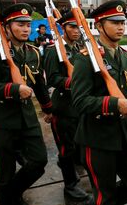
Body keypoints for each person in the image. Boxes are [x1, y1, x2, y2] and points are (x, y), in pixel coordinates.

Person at [71, 0, 127, 205]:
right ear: (98, 25)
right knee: (104, 193)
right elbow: (80, 101)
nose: (121, 27)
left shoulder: (125, 56)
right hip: (98, 138)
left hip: (125, 135)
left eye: (122, 22)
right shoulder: (85, 58)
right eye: (114, 22)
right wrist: (113, 104)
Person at [0, 3, 53, 205]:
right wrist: (14, 89)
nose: (26, 29)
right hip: (1, 120)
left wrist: (48, 109)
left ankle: (12, 193)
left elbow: (39, 83)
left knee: (39, 161)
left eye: (27, 25)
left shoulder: (33, 52)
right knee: (5, 170)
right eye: (20, 25)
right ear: (6, 27)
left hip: (27, 118)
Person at [43, 12, 91, 202]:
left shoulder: (82, 48)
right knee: (66, 148)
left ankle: (71, 166)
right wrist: (75, 82)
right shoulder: (54, 50)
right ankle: (70, 185)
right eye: (72, 27)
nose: (76, 31)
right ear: (63, 28)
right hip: (64, 105)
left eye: (78, 27)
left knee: (81, 143)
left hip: (81, 103)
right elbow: (52, 78)